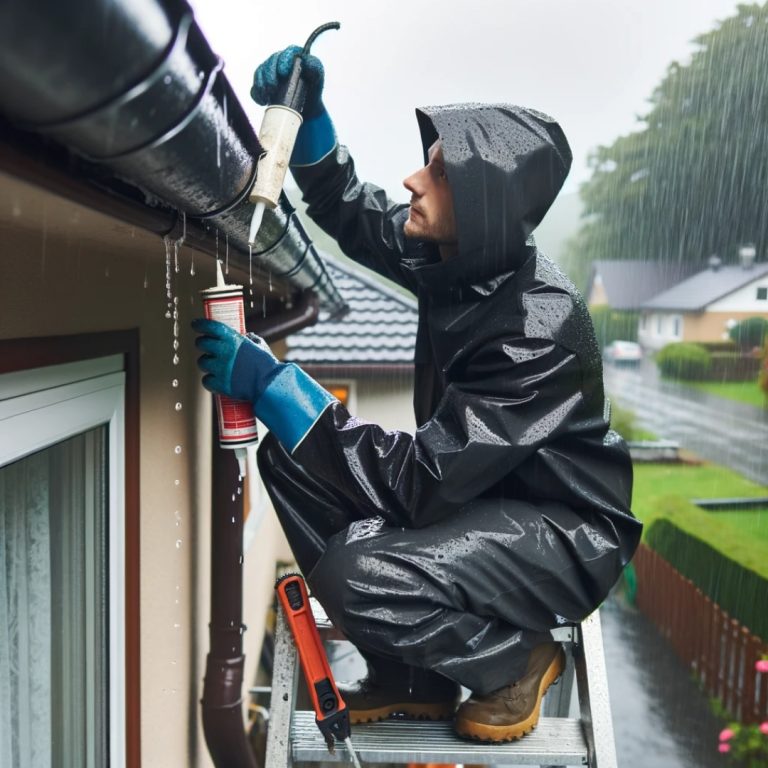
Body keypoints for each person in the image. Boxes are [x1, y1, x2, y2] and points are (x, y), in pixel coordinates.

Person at [193, 46, 642, 743]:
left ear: (487, 203)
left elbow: (424, 481)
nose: (411, 180)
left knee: (355, 573)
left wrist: (278, 385)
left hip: (560, 532)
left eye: (438, 173)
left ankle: (515, 661)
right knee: (289, 457)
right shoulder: (460, 260)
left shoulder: (538, 328)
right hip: (479, 495)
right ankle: (410, 672)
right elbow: (350, 211)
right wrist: (309, 116)